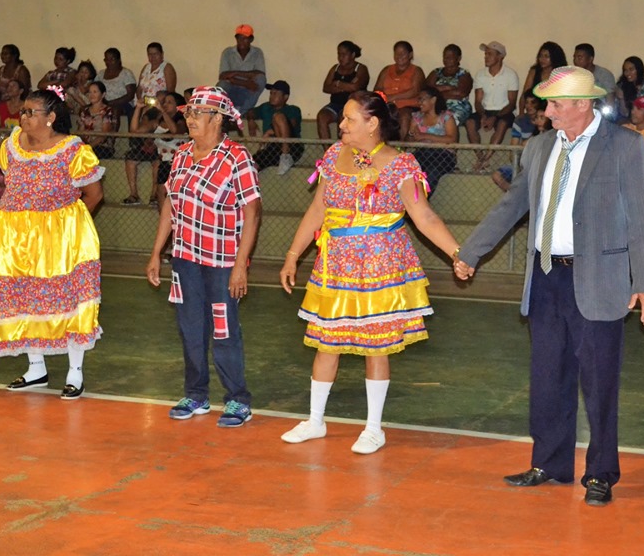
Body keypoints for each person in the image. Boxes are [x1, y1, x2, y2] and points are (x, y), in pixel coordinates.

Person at [453, 66, 644, 506]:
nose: (546, 113)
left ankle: (601, 472)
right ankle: (550, 461)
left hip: (598, 280)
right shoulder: (539, 147)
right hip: (545, 276)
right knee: (547, 376)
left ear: (583, 105)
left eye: (556, 104)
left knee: (599, 383)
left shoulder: (624, 146)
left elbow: (640, 218)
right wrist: (470, 251)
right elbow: (513, 205)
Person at [277, 90, 462, 454]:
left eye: (349, 119)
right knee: (326, 339)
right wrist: (292, 254)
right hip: (336, 265)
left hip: (379, 266)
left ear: (372, 123)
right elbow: (317, 209)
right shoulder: (333, 157)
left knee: (376, 345)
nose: (341, 125)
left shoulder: (400, 165)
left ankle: (374, 428)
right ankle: (315, 420)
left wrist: (458, 253)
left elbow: (424, 216)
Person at [0, 89, 104, 400]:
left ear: (51, 118)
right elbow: (6, 182)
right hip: (15, 236)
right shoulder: (11, 145)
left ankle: (75, 372)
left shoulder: (72, 149)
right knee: (24, 297)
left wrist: (68, 227)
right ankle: (36, 367)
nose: (23, 116)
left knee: (68, 301)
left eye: (31, 112)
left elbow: (93, 195)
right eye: (23, 111)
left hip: (60, 239)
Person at [146, 86, 261, 428]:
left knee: (224, 331)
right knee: (191, 328)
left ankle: (238, 399)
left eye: (197, 113)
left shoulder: (237, 158)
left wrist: (241, 265)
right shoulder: (181, 154)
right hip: (185, 259)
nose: (190, 118)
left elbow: (253, 213)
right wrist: (157, 253)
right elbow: (169, 205)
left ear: (218, 118)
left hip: (223, 262)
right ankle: (196, 394)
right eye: (189, 113)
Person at [467, 41, 519, 172]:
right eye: (485, 54)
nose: (486, 57)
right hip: (485, 110)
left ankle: (486, 159)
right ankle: (480, 158)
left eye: (490, 54)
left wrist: (495, 117)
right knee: (469, 122)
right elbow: (478, 101)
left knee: (501, 125)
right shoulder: (480, 74)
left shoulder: (510, 75)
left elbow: (512, 103)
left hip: (504, 111)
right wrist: (483, 115)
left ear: (500, 56)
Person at [406, 86, 459, 194]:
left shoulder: (446, 117)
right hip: (423, 152)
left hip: (443, 155)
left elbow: (452, 139)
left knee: (431, 173)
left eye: (422, 99)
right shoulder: (417, 117)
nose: (419, 102)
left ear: (433, 100)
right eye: (419, 99)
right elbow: (409, 140)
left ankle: (420, 204)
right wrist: (412, 134)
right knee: (409, 172)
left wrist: (425, 136)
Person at [247, 80, 303, 175]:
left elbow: (292, 125)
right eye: (271, 93)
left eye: (275, 93)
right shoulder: (266, 107)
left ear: (285, 97)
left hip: (292, 146)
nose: (271, 96)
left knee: (277, 116)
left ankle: (285, 156)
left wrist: (269, 132)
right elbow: (250, 112)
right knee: (249, 166)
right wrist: (251, 120)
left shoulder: (293, 110)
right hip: (273, 147)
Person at [316, 40, 370, 140]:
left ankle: (342, 151)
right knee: (321, 116)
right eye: (339, 54)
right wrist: (346, 87)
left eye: (344, 54)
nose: (340, 57)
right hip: (335, 104)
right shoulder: (335, 68)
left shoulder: (360, 68)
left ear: (353, 55)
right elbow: (326, 87)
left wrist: (337, 84)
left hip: (353, 104)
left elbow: (355, 87)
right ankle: (329, 153)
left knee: (343, 117)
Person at [492, 103, 551, 192]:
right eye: (537, 118)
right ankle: (514, 193)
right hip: (526, 169)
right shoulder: (535, 137)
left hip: (541, 171)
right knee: (497, 175)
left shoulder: (553, 137)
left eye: (542, 118)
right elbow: (522, 147)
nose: (538, 121)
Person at [373, 40, 425, 140]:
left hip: (408, 106)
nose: (399, 56)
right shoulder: (386, 70)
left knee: (404, 115)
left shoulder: (417, 71)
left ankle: (399, 147)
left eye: (403, 53)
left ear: (410, 55)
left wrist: (392, 97)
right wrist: (384, 98)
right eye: (396, 53)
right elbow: (377, 89)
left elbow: (415, 91)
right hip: (387, 105)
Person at [217, 24, 266, 114]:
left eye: (245, 38)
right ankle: (224, 112)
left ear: (251, 39)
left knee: (261, 79)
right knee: (221, 85)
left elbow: (259, 73)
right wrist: (245, 82)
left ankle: (241, 112)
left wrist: (234, 73)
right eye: (239, 38)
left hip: (248, 91)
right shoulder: (227, 53)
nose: (241, 41)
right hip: (233, 87)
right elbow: (223, 76)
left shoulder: (257, 53)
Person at [123, 101, 163, 206]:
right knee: (130, 159)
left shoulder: (171, 116)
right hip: (145, 147)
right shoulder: (150, 115)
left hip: (162, 150)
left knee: (158, 162)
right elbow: (135, 131)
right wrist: (138, 109)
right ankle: (134, 194)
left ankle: (154, 195)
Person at [426, 44, 474, 129]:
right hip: (436, 107)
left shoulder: (464, 74)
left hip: (458, 107)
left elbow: (461, 93)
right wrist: (449, 87)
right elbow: (427, 91)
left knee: (447, 121)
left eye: (450, 57)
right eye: (445, 57)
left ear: (458, 59)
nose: (446, 60)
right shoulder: (436, 72)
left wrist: (438, 91)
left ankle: (448, 141)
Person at [520, 41, 568, 115]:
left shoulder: (561, 74)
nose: (542, 59)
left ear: (554, 58)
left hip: (554, 113)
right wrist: (521, 113)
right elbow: (525, 94)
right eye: (541, 56)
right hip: (534, 112)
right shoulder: (534, 72)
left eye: (546, 56)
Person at [572, 43, 615, 114]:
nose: (575, 61)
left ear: (590, 59)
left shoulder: (604, 75)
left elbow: (610, 100)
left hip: (601, 112)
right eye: (574, 57)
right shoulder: (573, 75)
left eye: (579, 58)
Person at [77, 82, 116, 159]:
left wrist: (88, 147)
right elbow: (80, 131)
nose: (91, 95)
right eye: (90, 92)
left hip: (102, 146)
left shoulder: (107, 111)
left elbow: (104, 135)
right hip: (85, 145)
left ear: (103, 94)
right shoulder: (85, 111)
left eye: (95, 92)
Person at [96, 47, 136, 117]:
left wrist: (111, 103)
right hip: (104, 102)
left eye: (112, 59)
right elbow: (95, 89)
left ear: (119, 60)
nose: (109, 62)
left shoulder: (126, 73)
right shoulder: (101, 74)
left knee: (114, 110)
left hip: (123, 104)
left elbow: (130, 95)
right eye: (106, 59)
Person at [614, 56, 644, 121]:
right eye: (625, 70)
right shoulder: (622, 84)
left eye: (631, 69)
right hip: (626, 120)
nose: (628, 73)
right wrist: (621, 98)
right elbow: (624, 113)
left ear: (638, 69)